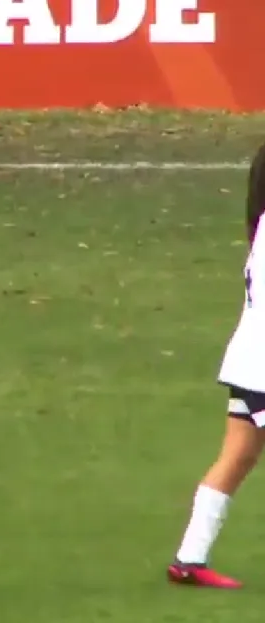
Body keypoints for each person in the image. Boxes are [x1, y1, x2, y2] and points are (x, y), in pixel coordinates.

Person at [167, 142, 265, 588]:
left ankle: (189, 559)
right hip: (263, 365)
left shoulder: (261, 227)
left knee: (237, 456)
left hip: (249, 361)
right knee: (236, 456)